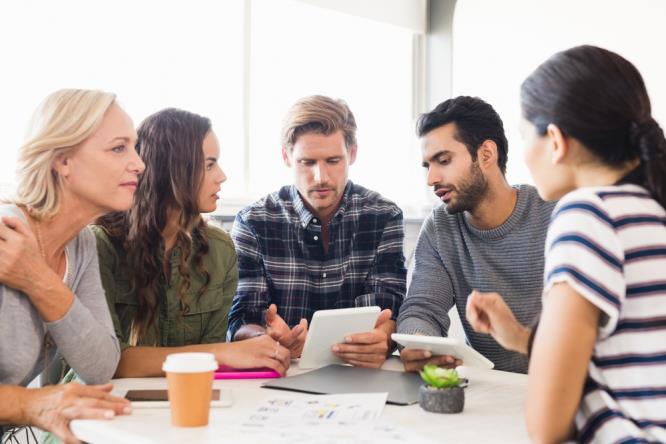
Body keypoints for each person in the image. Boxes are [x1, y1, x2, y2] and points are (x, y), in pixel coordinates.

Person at [466, 45, 666, 443]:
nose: (522, 156)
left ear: (555, 140)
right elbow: (631, 359)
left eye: (524, 136)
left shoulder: (589, 214)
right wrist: (524, 339)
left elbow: (547, 425)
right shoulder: (651, 211)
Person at [94, 108, 290, 378]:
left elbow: (208, 357)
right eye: (209, 164)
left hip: (187, 396)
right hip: (105, 403)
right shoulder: (101, 245)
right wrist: (220, 353)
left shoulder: (219, 250)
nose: (221, 176)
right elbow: (109, 363)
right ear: (171, 170)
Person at [0, 89, 139, 443]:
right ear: (63, 160)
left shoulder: (81, 243)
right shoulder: (5, 234)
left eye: (134, 147)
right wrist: (31, 404)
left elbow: (99, 365)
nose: (138, 163)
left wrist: (37, 279)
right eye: (118, 147)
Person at [229, 95, 406, 368]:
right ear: (286, 157)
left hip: (358, 372)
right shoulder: (253, 222)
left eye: (333, 161)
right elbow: (241, 319)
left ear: (353, 154)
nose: (321, 177)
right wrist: (265, 337)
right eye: (307, 162)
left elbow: (388, 309)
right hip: (283, 369)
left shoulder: (383, 216)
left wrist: (382, 338)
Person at [396, 96, 556, 373]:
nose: (431, 179)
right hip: (493, 389)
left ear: (486, 154)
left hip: (564, 385)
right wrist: (421, 345)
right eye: (428, 166)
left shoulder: (555, 214)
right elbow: (421, 310)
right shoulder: (440, 227)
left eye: (443, 160)